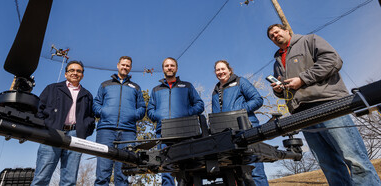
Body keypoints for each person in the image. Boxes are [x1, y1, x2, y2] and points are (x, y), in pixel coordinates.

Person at [267, 24, 380, 185]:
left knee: (354, 158)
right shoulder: (277, 62)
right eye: (271, 36)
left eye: (277, 32)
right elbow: (285, 90)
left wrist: (302, 79)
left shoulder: (309, 40)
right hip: (301, 115)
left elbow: (333, 60)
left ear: (286, 30)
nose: (275, 36)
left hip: (327, 105)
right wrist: (279, 90)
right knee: (328, 165)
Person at [31, 61, 95, 186]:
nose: (75, 73)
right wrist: (45, 127)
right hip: (52, 133)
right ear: (66, 74)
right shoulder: (52, 88)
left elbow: (90, 117)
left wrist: (84, 131)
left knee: (69, 180)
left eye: (78, 71)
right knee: (42, 177)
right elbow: (39, 109)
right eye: (72, 70)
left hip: (76, 136)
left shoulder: (87, 95)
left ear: (82, 75)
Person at [147, 57, 205, 186]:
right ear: (163, 69)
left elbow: (199, 105)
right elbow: (150, 110)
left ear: (176, 68)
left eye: (172, 65)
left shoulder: (187, 86)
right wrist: (160, 116)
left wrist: (186, 114)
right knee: (166, 169)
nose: (169, 68)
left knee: (188, 169)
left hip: (185, 133)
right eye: (167, 66)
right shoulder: (156, 90)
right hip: (163, 134)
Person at [212, 60, 269, 186]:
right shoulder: (215, 91)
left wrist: (240, 111)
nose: (220, 72)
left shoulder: (240, 81)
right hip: (228, 135)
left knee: (255, 169)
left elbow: (258, 100)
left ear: (229, 70)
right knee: (239, 172)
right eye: (217, 70)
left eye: (223, 69)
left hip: (247, 128)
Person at [93, 56, 146, 186]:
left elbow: (142, 107)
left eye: (128, 65)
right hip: (106, 130)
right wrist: (103, 112)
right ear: (118, 65)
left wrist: (133, 115)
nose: (125, 67)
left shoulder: (136, 87)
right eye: (123, 64)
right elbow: (96, 103)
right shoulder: (105, 84)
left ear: (130, 68)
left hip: (128, 132)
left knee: (123, 174)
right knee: (102, 173)